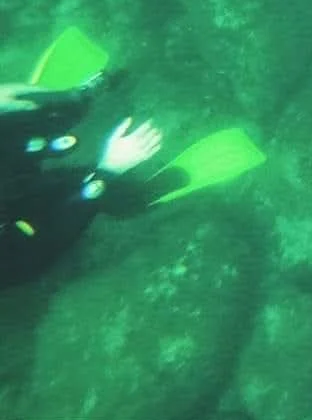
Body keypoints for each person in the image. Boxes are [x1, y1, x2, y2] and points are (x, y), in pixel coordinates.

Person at [1, 28, 265, 289]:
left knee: (30, 119)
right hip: (25, 231)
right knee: (88, 188)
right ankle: (144, 191)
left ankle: (64, 111)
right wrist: (107, 172)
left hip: (12, 176)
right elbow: (40, 250)